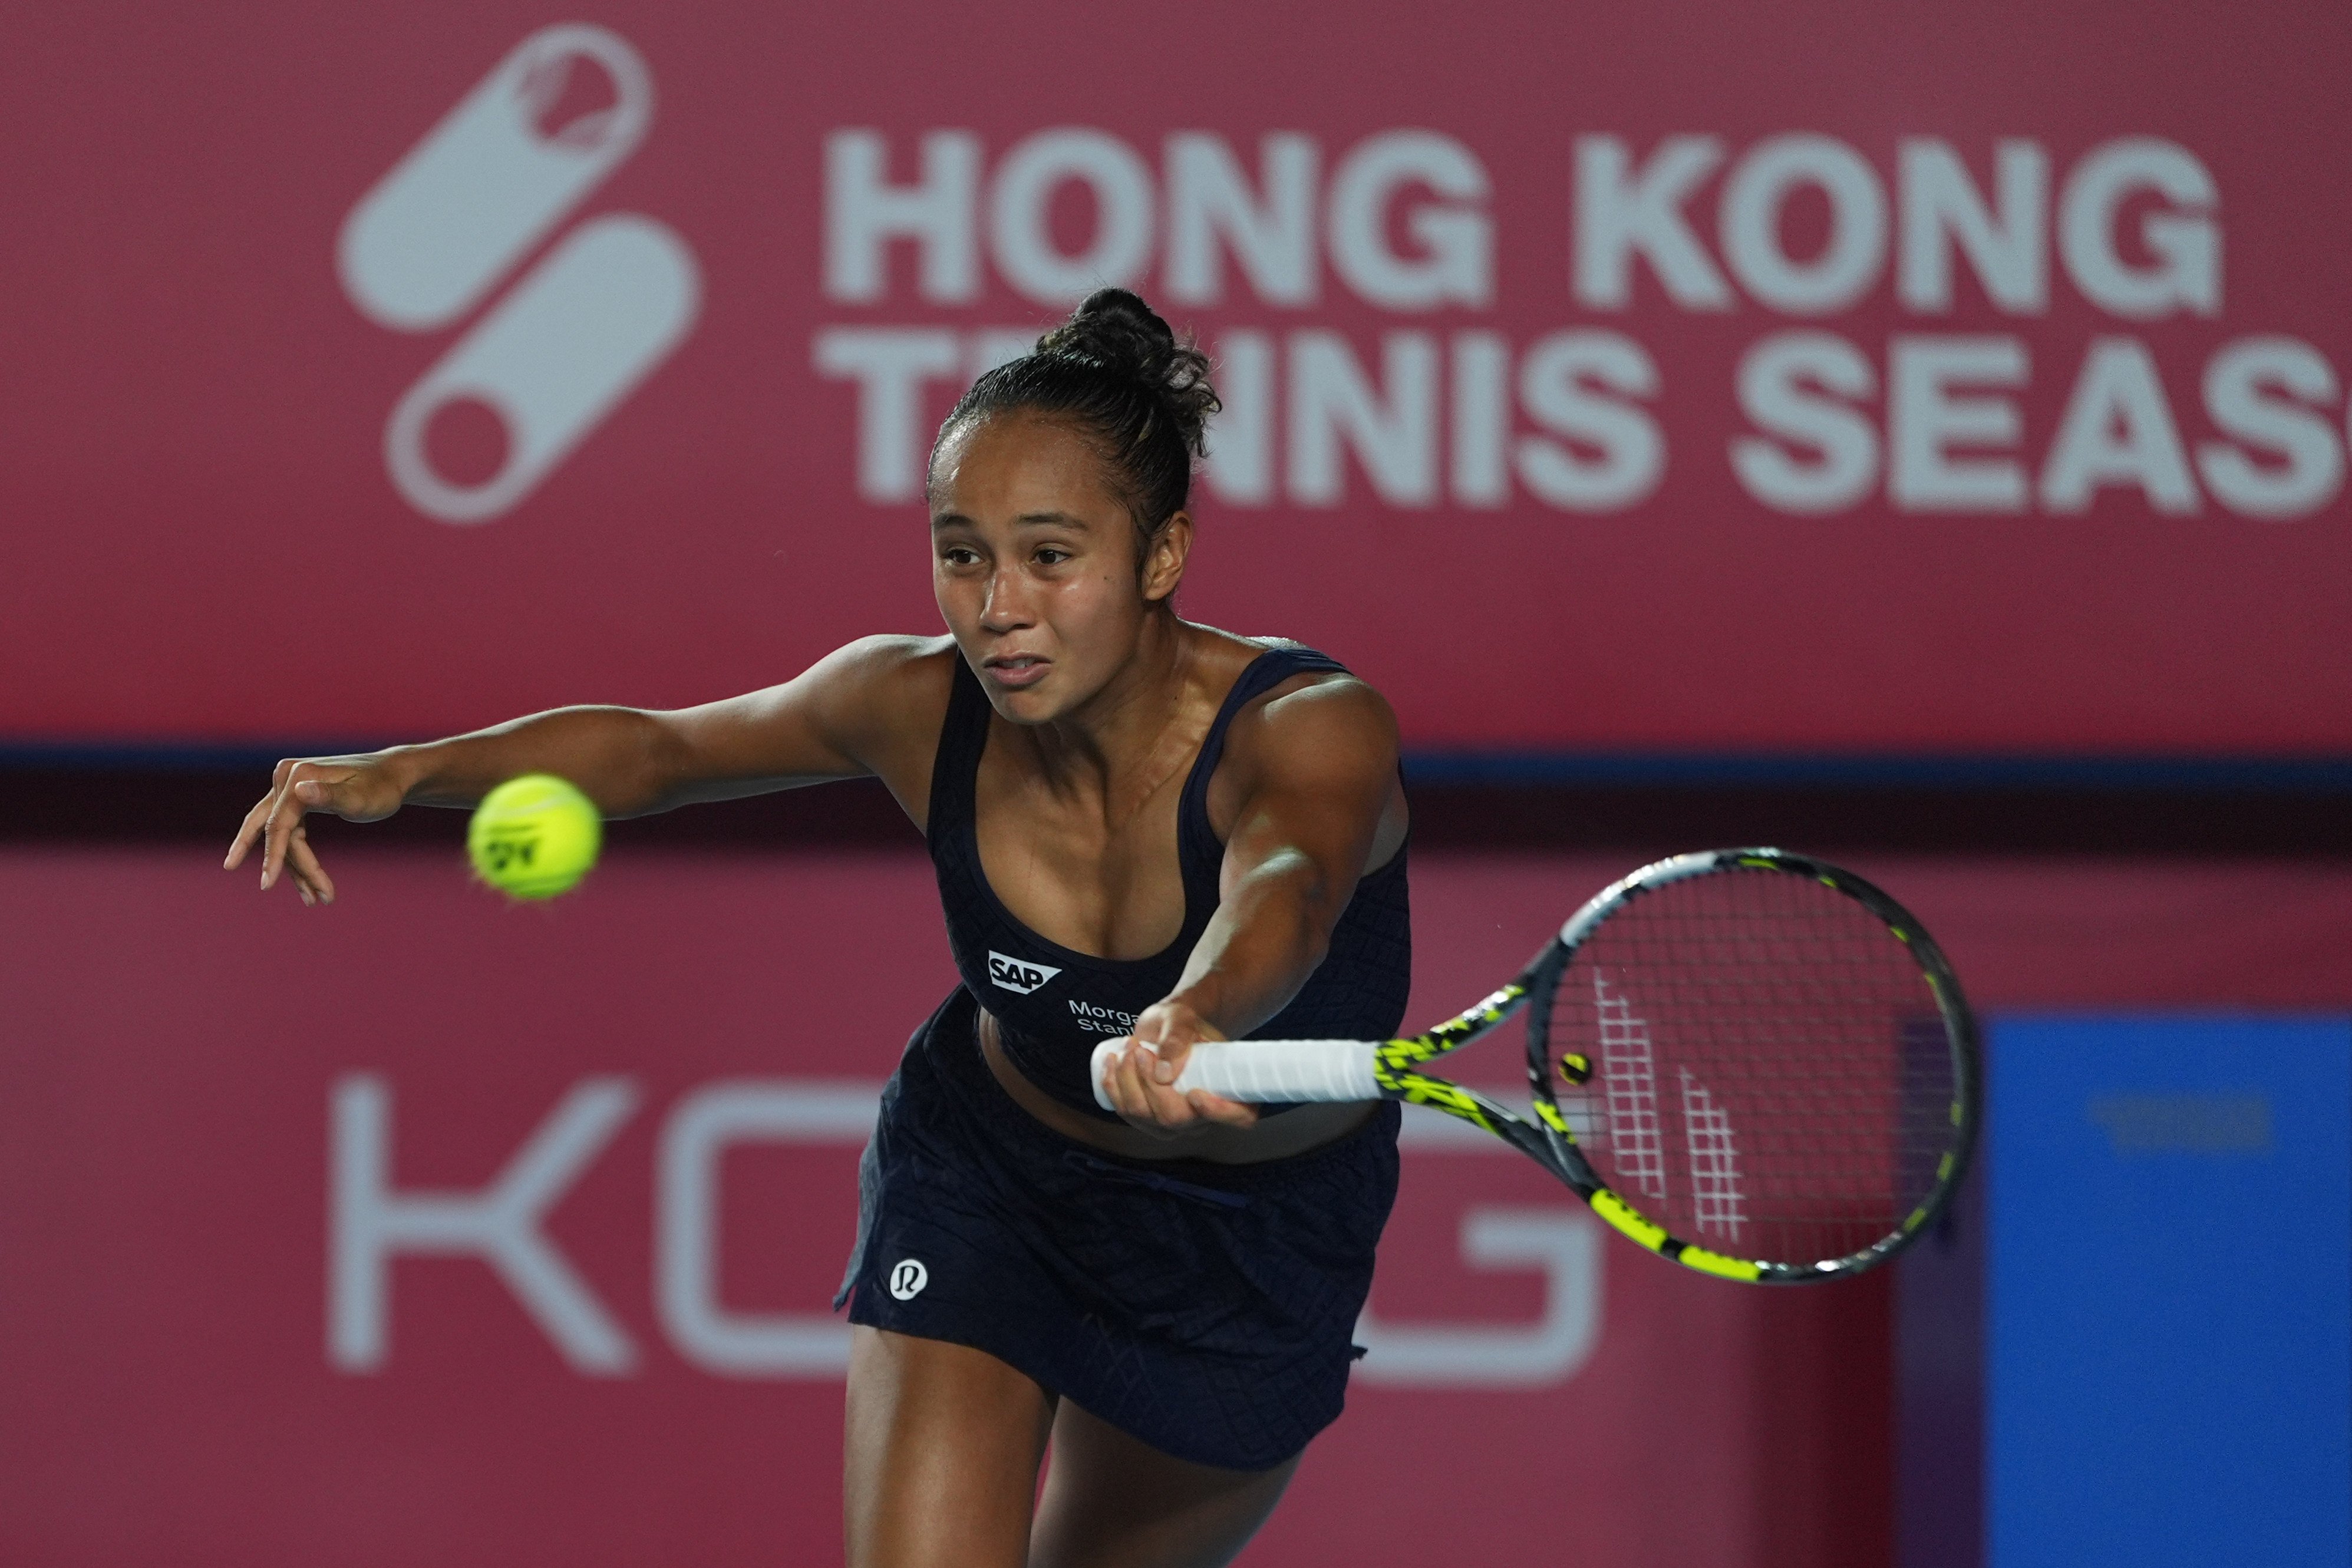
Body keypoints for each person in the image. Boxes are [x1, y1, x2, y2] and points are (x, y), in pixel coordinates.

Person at [223, 288, 1412, 1568]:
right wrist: (410, 770)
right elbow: (660, 749)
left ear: (1160, 557)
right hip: (995, 1177)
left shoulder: (1310, 723)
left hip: (1251, 1239)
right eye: (963, 552)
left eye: (1051, 556)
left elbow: (1287, 882)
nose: (998, 605)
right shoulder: (906, 704)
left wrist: (1198, 1009)